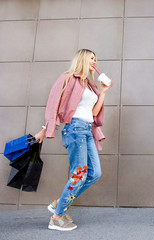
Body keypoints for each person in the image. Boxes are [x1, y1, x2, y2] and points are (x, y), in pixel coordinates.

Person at [34, 49, 113, 231]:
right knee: (79, 174)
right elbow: (54, 104)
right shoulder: (68, 78)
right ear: (83, 59)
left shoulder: (90, 85)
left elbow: (94, 113)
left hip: (87, 130)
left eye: (96, 58)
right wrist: (44, 130)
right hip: (75, 130)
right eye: (91, 58)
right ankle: (57, 217)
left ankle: (59, 204)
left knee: (94, 174)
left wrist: (103, 92)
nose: (94, 61)